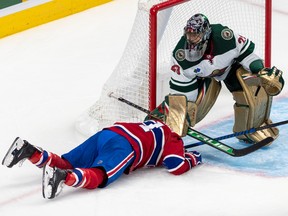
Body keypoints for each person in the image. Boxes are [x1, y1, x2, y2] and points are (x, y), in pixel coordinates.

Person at [149, 13, 284, 144]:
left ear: (207, 33)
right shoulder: (180, 57)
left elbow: (245, 53)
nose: (192, 38)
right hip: (202, 78)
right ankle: (157, 124)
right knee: (189, 108)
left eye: (196, 34)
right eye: (189, 34)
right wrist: (179, 115)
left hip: (230, 68)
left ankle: (251, 129)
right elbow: (182, 91)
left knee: (252, 90)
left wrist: (260, 70)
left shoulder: (224, 37)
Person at [2, 120, 202, 199]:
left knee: (68, 161)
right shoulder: (174, 139)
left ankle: (30, 151)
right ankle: (63, 177)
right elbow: (176, 166)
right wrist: (193, 157)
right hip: (125, 146)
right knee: (101, 175)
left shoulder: (155, 123)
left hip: (108, 133)